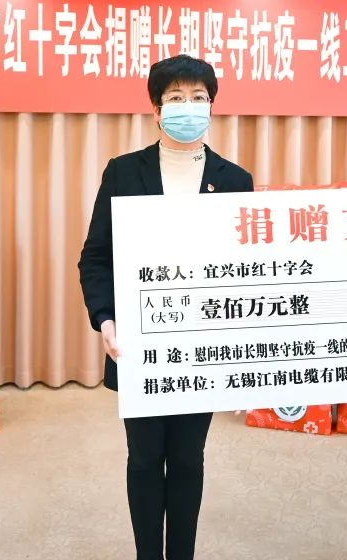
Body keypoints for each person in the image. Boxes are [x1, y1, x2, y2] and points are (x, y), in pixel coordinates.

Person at [78, 55, 254, 560]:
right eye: (176, 98)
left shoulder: (235, 180)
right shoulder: (123, 172)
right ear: (156, 110)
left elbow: (247, 271)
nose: (188, 107)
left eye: (199, 98)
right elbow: (96, 257)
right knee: (144, 458)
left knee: (188, 458)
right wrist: (105, 319)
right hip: (140, 344)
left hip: (202, 346)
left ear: (212, 107)